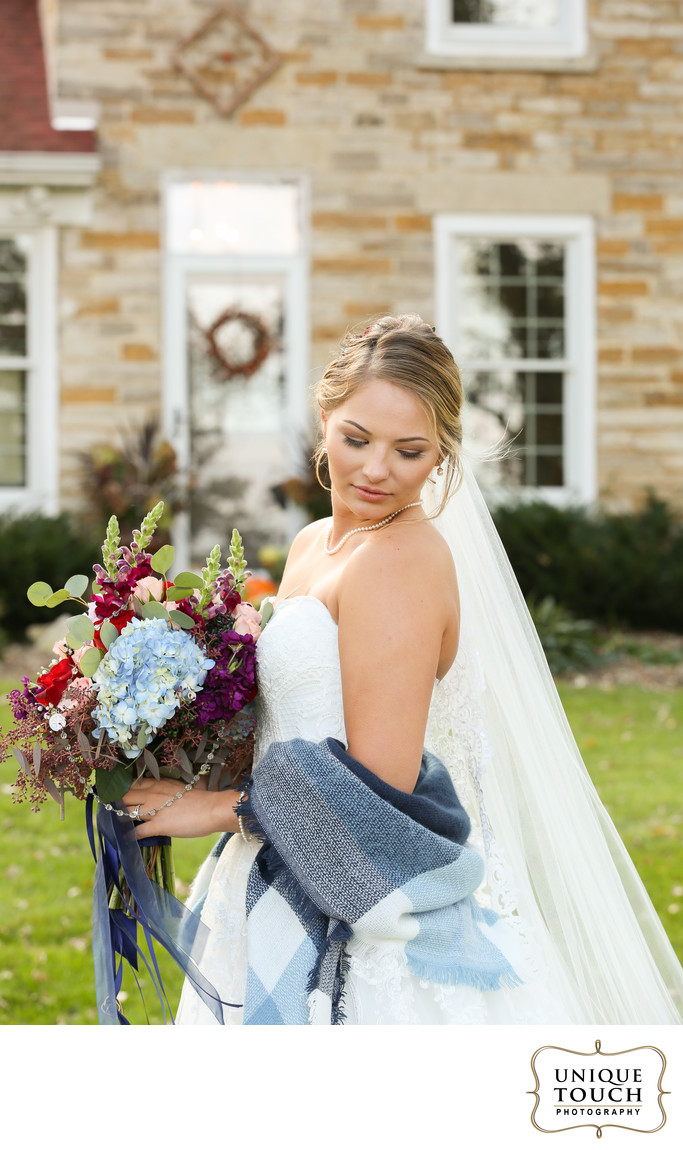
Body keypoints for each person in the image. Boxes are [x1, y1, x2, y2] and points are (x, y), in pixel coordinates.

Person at [123, 314, 683, 1025]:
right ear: (324, 420)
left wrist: (215, 810)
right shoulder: (313, 543)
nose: (376, 470)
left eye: (409, 451)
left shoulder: (399, 560)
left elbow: (380, 787)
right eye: (356, 439)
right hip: (282, 860)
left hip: (364, 896)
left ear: (442, 454)